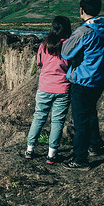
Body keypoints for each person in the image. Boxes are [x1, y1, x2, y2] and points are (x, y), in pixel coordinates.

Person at [61, 0, 104, 170]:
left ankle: (80, 159)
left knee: (80, 120)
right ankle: (94, 145)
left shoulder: (84, 31)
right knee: (91, 112)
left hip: (83, 80)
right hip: (100, 79)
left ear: (82, 10)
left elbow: (66, 53)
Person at [25, 16, 72, 164]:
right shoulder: (69, 45)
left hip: (45, 87)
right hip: (63, 88)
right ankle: (51, 154)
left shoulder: (44, 44)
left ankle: (29, 149)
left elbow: (39, 63)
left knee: (39, 117)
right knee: (57, 121)